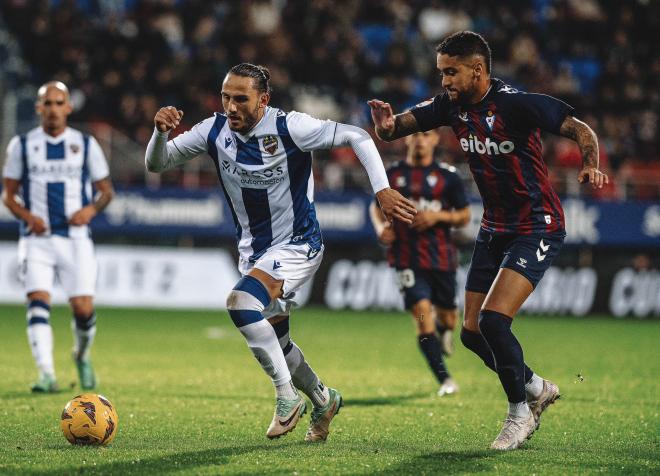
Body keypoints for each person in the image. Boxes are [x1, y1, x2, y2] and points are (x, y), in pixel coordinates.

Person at [145, 63, 416, 441]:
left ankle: (286, 397)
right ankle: (324, 399)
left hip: (298, 244)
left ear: (264, 99)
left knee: (240, 303)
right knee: (279, 342)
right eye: (226, 97)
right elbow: (157, 163)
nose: (232, 107)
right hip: (254, 252)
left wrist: (381, 189)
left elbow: (357, 135)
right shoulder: (214, 130)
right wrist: (159, 134)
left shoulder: (290, 127)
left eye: (241, 99)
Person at [369, 31, 608, 450]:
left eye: (451, 72)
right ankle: (535, 386)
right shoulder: (452, 107)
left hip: (538, 223)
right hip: (495, 226)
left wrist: (590, 164)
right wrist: (388, 127)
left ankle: (520, 414)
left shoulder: (516, 104)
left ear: (478, 70)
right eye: (441, 72)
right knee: (471, 333)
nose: (443, 81)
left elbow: (580, 128)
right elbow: (401, 127)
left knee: (495, 321)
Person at [2, 81, 114, 393]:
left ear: (68, 107)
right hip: (36, 240)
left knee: (83, 309)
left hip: (76, 240)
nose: (52, 109)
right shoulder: (21, 145)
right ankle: (46, 374)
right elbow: (8, 196)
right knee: (38, 302)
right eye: (47, 103)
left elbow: (106, 192)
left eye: (58, 103)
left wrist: (90, 211)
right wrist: (27, 217)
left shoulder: (85, 144)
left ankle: (81, 354)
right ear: (39, 108)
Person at [369, 130, 470, 397]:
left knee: (449, 317)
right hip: (406, 259)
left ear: (436, 139)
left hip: (442, 259)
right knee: (423, 318)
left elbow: (464, 215)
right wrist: (380, 228)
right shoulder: (391, 175)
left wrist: (438, 217)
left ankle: (444, 329)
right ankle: (445, 379)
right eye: (415, 135)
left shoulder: (448, 176)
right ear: (406, 140)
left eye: (426, 135)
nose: (420, 140)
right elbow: (375, 206)